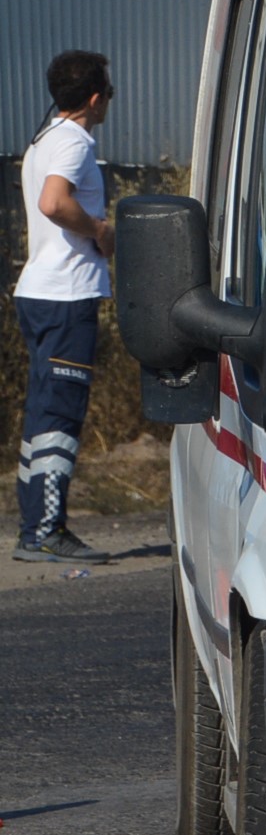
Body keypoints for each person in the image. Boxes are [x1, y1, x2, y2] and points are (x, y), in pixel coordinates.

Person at [14, 51, 115, 565]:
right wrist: (100, 230)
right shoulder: (74, 142)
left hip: (38, 292)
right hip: (65, 296)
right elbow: (54, 203)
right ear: (95, 98)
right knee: (60, 411)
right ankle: (48, 529)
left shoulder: (42, 140)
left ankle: (34, 527)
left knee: (41, 410)